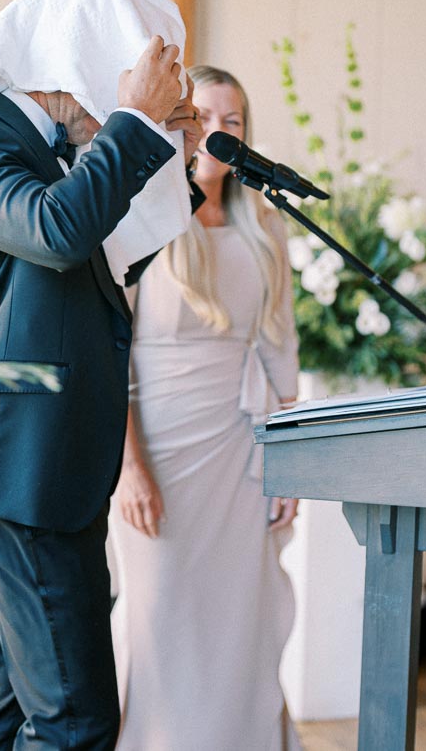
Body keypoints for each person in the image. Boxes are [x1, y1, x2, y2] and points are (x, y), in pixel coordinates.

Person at [0, 0, 203, 750]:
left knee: (19, 703)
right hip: (16, 473)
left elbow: (108, 253)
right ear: (80, 62)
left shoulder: (44, 149)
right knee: (74, 722)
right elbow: (60, 231)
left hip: (48, 468)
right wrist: (132, 124)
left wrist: (175, 151)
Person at [110, 66, 303, 750]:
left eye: (235, 122)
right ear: (179, 125)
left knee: (238, 626)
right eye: (207, 118)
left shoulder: (266, 227)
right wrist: (130, 469)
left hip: (241, 450)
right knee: (161, 622)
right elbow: (113, 359)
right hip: (158, 449)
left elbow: (281, 350)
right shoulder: (136, 220)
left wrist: (290, 467)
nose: (220, 134)